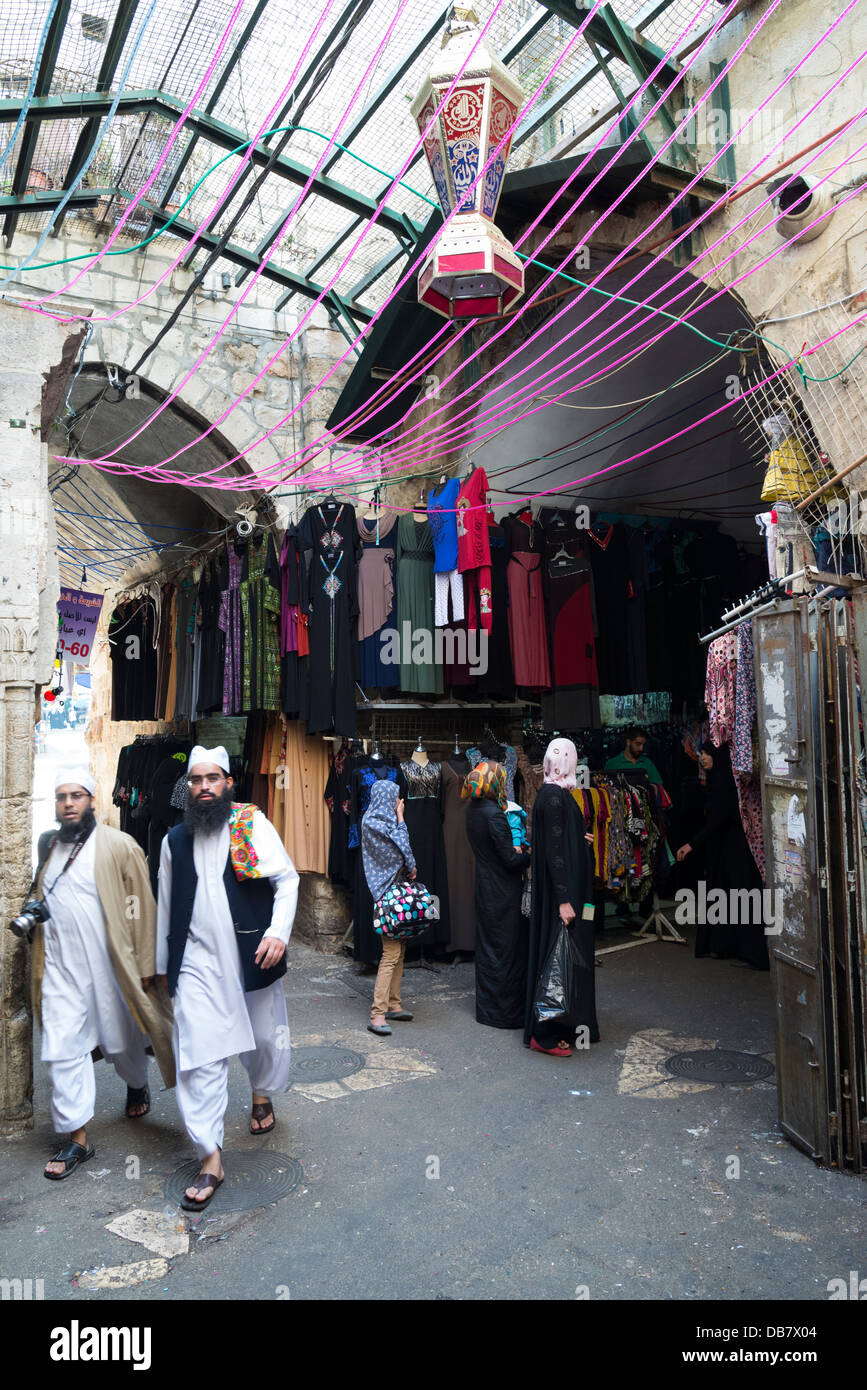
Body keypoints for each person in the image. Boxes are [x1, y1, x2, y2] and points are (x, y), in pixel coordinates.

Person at [156, 746, 299, 1211]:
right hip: (196, 966)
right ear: (189, 787)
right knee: (197, 1058)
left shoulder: (250, 824)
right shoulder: (174, 840)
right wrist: (162, 965)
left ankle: (261, 1092)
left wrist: (278, 933)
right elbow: (165, 907)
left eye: (212, 779)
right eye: (196, 780)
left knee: (263, 1038)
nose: (203, 787)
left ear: (228, 783)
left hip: (248, 955)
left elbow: (288, 880)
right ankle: (210, 1157)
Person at [29, 769, 175, 1180]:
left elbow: (140, 908)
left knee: (123, 1038)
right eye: (62, 797)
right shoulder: (51, 847)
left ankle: (135, 1083)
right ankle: (77, 1138)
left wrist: (147, 964)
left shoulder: (118, 845)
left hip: (110, 969)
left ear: (92, 801)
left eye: (77, 796)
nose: (69, 803)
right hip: (60, 971)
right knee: (60, 1049)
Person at [524, 740, 599, 1057]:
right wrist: (564, 900)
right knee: (559, 958)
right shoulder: (554, 797)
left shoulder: (553, 794)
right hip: (565, 895)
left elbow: (555, 841)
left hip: (567, 891)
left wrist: (579, 839)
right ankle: (544, 1031)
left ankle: (561, 1025)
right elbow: (554, 853)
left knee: (563, 957)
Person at [676, 743, 770, 970]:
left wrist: (691, 844)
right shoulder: (718, 779)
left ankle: (753, 955)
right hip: (727, 848)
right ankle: (732, 947)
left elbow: (718, 819)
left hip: (736, 848)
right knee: (731, 896)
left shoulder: (724, 782)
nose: (702, 758)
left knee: (743, 897)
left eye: (707, 753)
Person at [463, 761, 527, 1029]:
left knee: (489, 949)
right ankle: (505, 1014)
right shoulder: (494, 814)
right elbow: (510, 860)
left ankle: (487, 1010)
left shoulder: (472, 810)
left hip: (484, 886)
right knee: (506, 950)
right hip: (502, 891)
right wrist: (528, 853)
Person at [361, 780, 417, 1037]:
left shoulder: (374, 821)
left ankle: (394, 1003)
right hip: (388, 896)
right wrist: (401, 818)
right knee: (391, 952)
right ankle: (378, 1012)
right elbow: (400, 852)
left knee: (400, 950)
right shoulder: (377, 825)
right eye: (395, 798)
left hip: (395, 895)